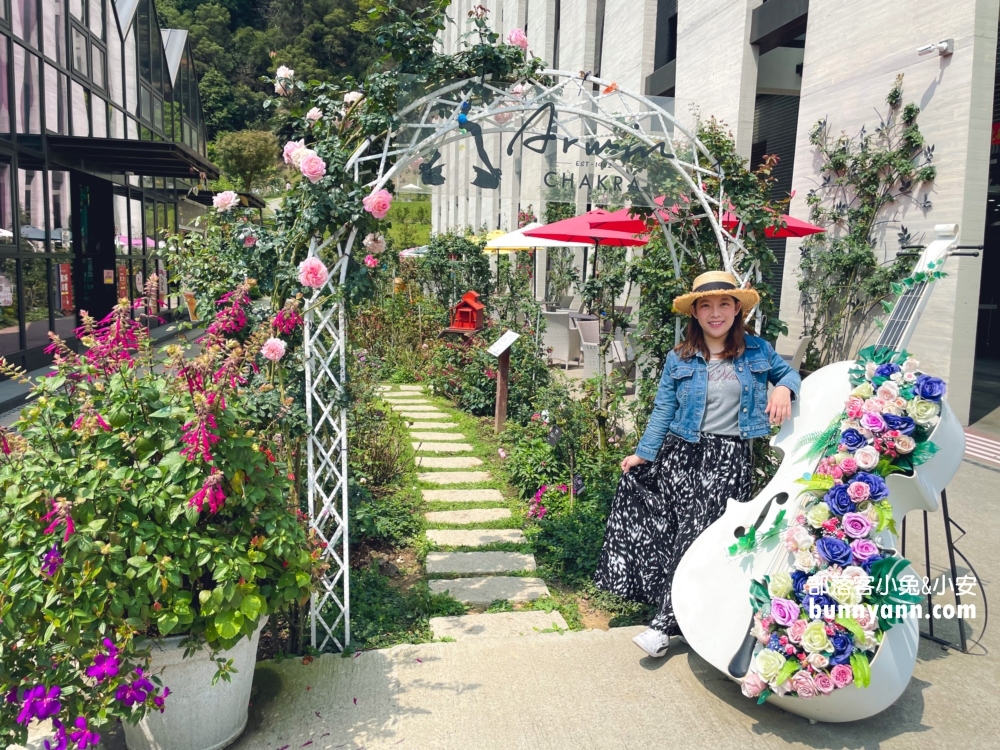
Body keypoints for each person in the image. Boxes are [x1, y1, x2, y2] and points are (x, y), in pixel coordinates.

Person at [593, 271, 800, 658]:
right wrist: (643, 453)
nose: (715, 312)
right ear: (696, 312)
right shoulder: (681, 357)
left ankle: (662, 626)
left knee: (698, 537)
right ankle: (682, 612)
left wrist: (785, 387)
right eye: (706, 305)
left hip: (727, 458)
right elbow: (663, 410)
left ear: (737, 309)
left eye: (724, 304)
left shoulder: (757, 351)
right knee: (669, 531)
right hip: (681, 452)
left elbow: (786, 372)